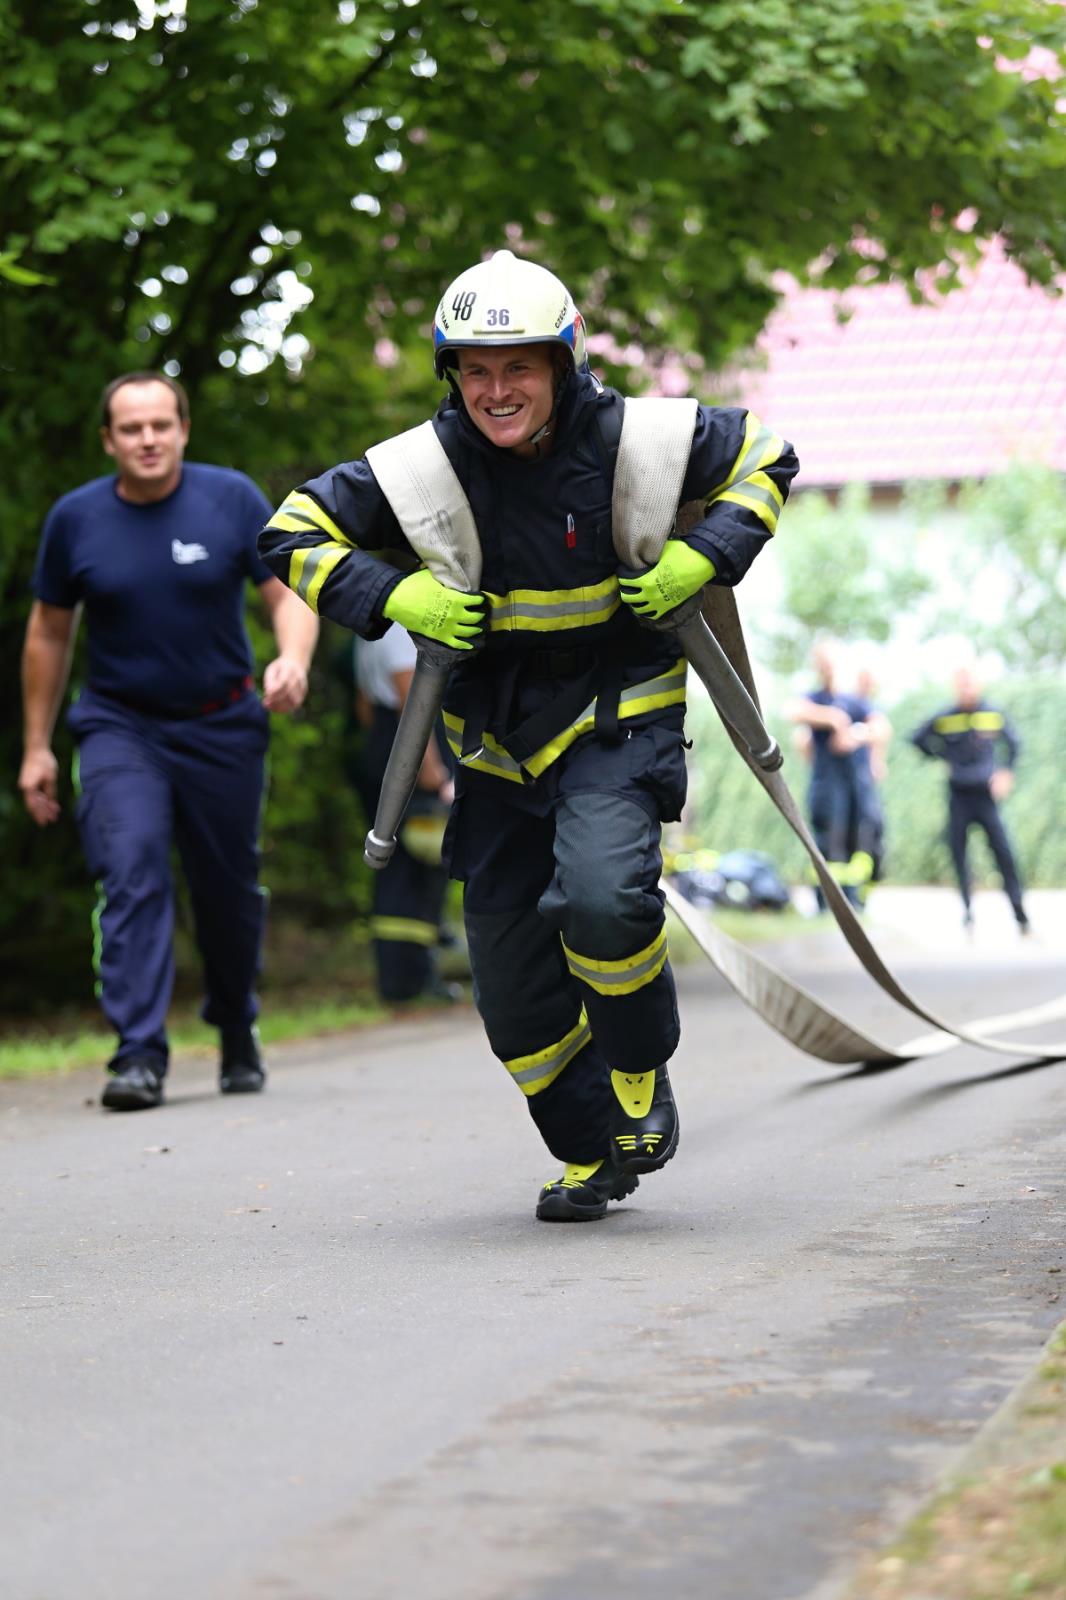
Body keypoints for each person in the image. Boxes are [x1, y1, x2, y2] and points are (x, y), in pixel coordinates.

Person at [259, 249, 797, 1222]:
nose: (495, 390)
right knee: (510, 992)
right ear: (451, 374)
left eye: (517, 367)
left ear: (563, 363)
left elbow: (768, 457)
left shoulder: (638, 437)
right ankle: (595, 1150)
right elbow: (289, 531)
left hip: (618, 723)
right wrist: (390, 593)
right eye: (474, 368)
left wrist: (704, 556)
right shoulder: (422, 466)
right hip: (494, 752)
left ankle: (637, 1071)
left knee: (601, 894)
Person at [19, 371, 319, 1111]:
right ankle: (138, 1053)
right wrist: (36, 745)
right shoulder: (76, 520)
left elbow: (287, 592)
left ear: (183, 429)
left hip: (222, 724)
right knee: (132, 868)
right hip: (122, 726)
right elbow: (49, 632)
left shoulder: (231, 499)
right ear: (108, 440)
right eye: (131, 428)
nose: (147, 439)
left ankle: (235, 1023)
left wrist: (293, 660)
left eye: (160, 424)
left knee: (226, 891)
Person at [354, 626, 456, 1003]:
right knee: (421, 868)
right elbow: (413, 699)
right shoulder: (403, 628)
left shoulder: (370, 626)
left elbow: (363, 704)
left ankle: (402, 978)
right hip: (412, 749)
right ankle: (412, 979)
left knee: (395, 868)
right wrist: (432, 772)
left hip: (384, 742)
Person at [910, 666, 1029, 932]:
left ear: (979, 684)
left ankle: (1020, 914)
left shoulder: (991, 713)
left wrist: (1005, 772)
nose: (966, 688)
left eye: (970, 683)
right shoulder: (945, 716)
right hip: (958, 795)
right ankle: (968, 914)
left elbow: (1015, 743)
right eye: (961, 683)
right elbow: (917, 738)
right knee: (959, 855)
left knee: (1004, 854)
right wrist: (941, 758)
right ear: (955, 686)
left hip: (986, 796)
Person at [787, 642, 887, 907]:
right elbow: (794, 712)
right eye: (823, 662)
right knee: (828, 842)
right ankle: (825, 902)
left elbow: (881, 727)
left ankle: (854, 901)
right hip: (827, 787)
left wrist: (856, 735)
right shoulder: (817, 699)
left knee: (860, 843)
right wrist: (833, 718)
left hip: (856, 787)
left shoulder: (855, 702)